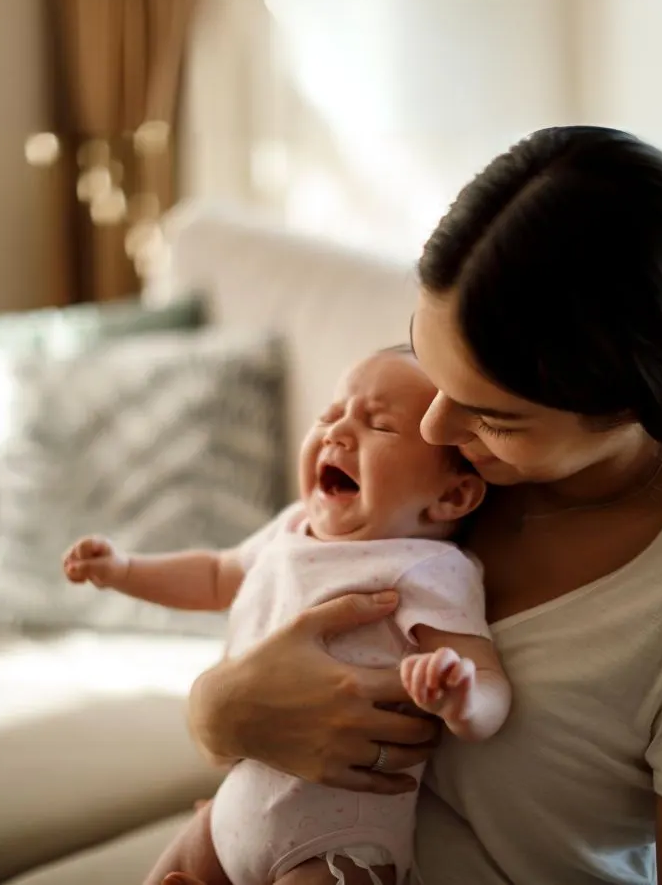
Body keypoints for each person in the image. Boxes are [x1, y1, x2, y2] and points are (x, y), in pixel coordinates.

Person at [166, 126, 662, 885]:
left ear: (630, 407)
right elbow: (278, 622)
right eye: (428, 361)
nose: (432, 427)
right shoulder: (454, 474)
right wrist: (218, 711)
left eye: (493, 415)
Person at [64, 348, 515, 885]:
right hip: (230, 817)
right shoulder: (292, 527)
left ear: (452, 495)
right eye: (330, 415)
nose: (337, 433)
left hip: (334, 846)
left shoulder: (428, 568)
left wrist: (461, 697)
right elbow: (213, 574)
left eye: (378, 425)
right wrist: (124, 569)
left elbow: (488, 679)